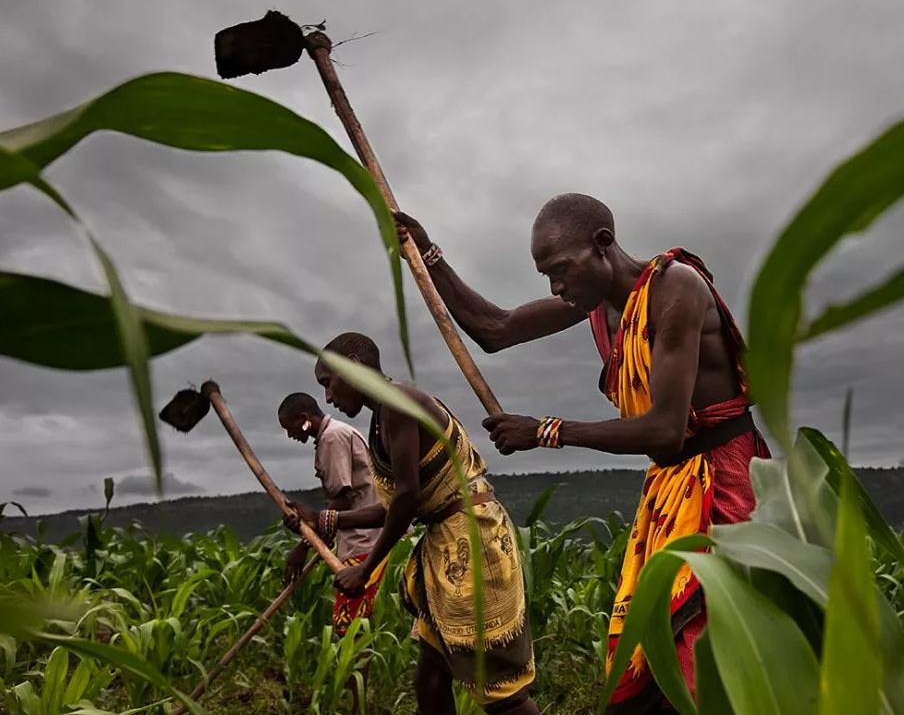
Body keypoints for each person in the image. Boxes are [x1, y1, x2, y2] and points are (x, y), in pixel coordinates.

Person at [391, 193, 771, 714]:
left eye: (561, 270)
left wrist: (546, 431)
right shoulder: (598, 308)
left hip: (723, 485)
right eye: (546, 275)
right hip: (671, 488)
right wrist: (428, 253)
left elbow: (665, 430)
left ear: (603, 245)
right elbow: (494, 330)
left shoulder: (674, 288)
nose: (556, 287)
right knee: (650, 653)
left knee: (700, 654)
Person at [285, 332, 540, 715]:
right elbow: (392, 507)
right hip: (449, 544)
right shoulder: (382, 419)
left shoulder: (399, 403)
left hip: (472, 544)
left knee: (500, 692)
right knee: (431, 678)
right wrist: (320, 519)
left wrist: (365, 570)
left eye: (327, 382)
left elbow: (406, 499)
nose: (328, 398)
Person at [277, 391, 390, 715]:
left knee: (352, 631)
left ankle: (358, 709)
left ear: (305, 420)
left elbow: (340, 500)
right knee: (354, 630)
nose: (290, 436)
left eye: (290, 428)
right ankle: (357, 705)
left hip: (365, 543)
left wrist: (302, 547)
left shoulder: (332, 438)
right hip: (360, 539)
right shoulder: (336, 434)